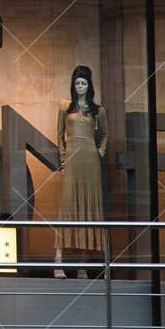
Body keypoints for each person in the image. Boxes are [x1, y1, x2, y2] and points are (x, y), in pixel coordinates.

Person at [54, 65, 108, 278]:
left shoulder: (98, 110)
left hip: (90, 160)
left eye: (83, 83)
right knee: (69, 206)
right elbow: (59, 135)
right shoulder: (65, 107)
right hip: (72, 159)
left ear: (89, 85)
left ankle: (86, 264)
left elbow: (105, 134)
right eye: (77, 83)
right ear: (73, 84)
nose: (80, 87)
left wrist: (101, 150)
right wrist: (63, 158)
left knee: (90, 207)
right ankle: (60, 261)